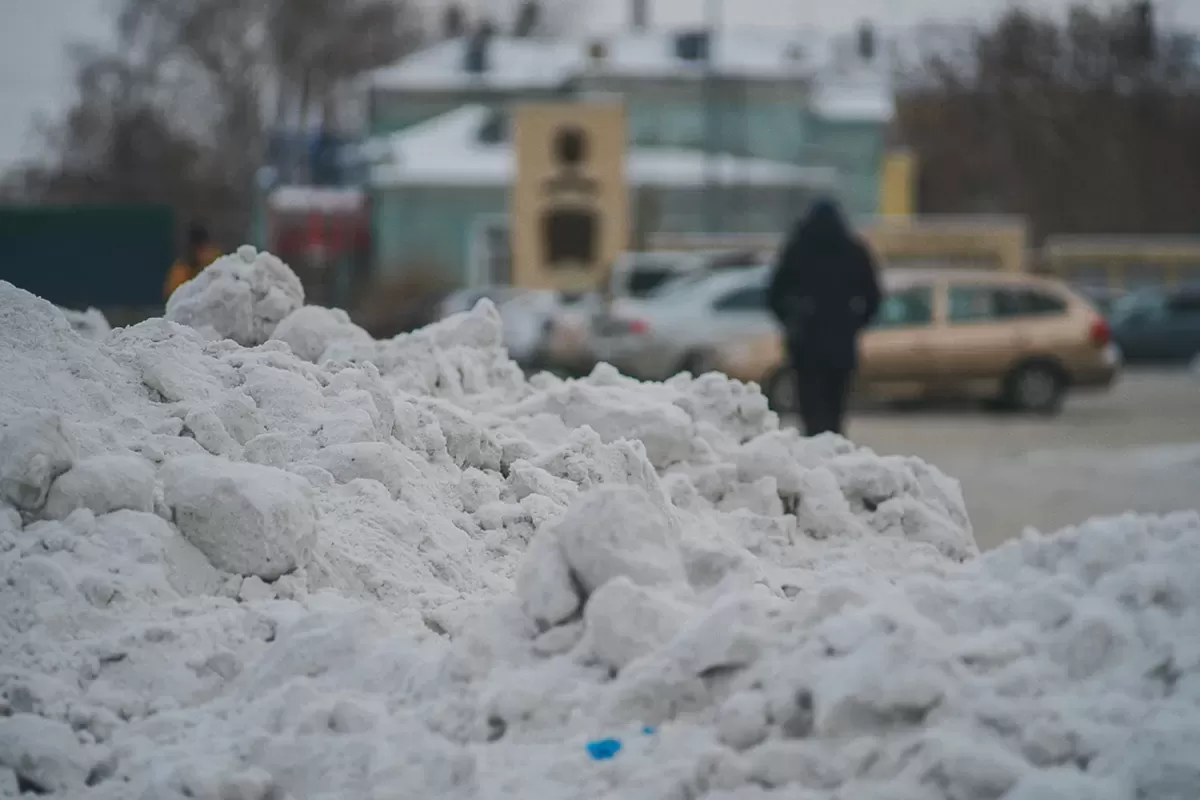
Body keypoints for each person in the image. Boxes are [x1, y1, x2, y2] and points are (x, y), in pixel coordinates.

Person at [768, 198, 881, 437]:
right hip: (841, 345)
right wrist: (854, 323)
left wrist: (791, 320)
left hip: (805, 343)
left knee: (810, 409)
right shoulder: (854, 250)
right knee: (835, 410)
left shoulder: (797, 249)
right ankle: (833, 450)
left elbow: (774, 294)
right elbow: (873, 296)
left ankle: (814, 453)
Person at [164, 223, 222, 300]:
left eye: (202, 248)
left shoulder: (216, 262)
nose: (200, 253)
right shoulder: (181, 270)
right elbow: (171, 296)